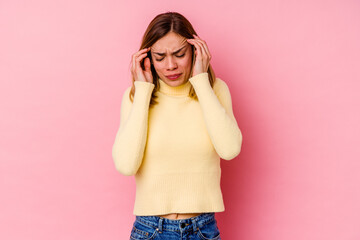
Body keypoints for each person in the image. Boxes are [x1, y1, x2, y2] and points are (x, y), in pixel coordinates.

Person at [112, 11, 242, 240]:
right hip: (149, 230)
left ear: (195, 50)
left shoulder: (214, 90)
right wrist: (143, 92)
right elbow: (125, 165)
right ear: (147, 58)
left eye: (179, 54)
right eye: (160, 57)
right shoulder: (136, 97)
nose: (170, 65)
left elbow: (230, 149)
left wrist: (201, 82)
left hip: (202, 229)